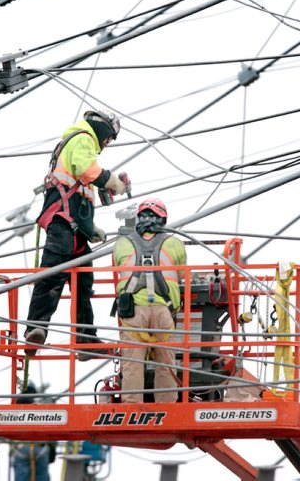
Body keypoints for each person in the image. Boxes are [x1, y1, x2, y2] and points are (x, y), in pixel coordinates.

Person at [25, 110, 127, 358]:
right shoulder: (82, 138)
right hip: (61, 223)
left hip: (74, 230)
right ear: (101, 128)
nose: (108, 143)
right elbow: (86, 170)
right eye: (109, 137)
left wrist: (89, 229)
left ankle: (85, 338)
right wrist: (112, 181)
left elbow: (79, 191)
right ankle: (35, 329)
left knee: (83, 282)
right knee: (52, 273)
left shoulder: (79, 145)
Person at [113, 198, 187, 402]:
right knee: (166, 363)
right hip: (164, 310)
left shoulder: (122, 244)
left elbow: (118, 270)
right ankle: (168, 410)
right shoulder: (175, 243)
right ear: (163, 219)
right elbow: (181, 275)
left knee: (132, 363)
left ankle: (131, 409)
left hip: (133, 311)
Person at [10, 386, 56, 481]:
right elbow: (52, 429)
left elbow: (9, 429)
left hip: (20, 448)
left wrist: (11, 451)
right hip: (40, 448)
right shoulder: (42, 408)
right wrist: (52, 449)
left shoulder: (15, 407)